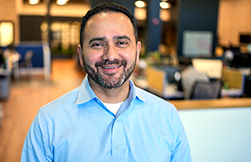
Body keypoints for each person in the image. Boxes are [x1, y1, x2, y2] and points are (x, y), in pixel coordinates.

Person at [21, 2, 191, 162]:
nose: (110, 55)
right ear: (81, 55)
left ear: (137, 52)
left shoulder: (167, 116)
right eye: (97, 44)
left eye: (122, 43)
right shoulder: (48, 122)